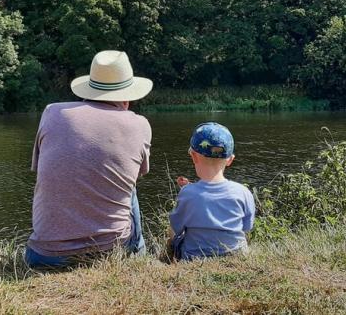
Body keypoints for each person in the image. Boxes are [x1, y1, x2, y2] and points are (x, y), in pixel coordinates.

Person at [25, 50, 153, 268]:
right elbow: (135, 177)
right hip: (111, 251)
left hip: (43, 257)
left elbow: (43, 171)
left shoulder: (52, 112)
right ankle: (140, 257)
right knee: (128, 186)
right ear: (128, 96)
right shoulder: (139, 124)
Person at [169, 122, 255, 260]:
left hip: (194, 258)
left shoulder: (187, 192)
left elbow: (176, 227)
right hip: (236, 256)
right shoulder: (243, 192)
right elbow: (247, 227)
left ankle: (170, 259)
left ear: (194, 156)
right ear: (230, 160)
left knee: (175, 236)